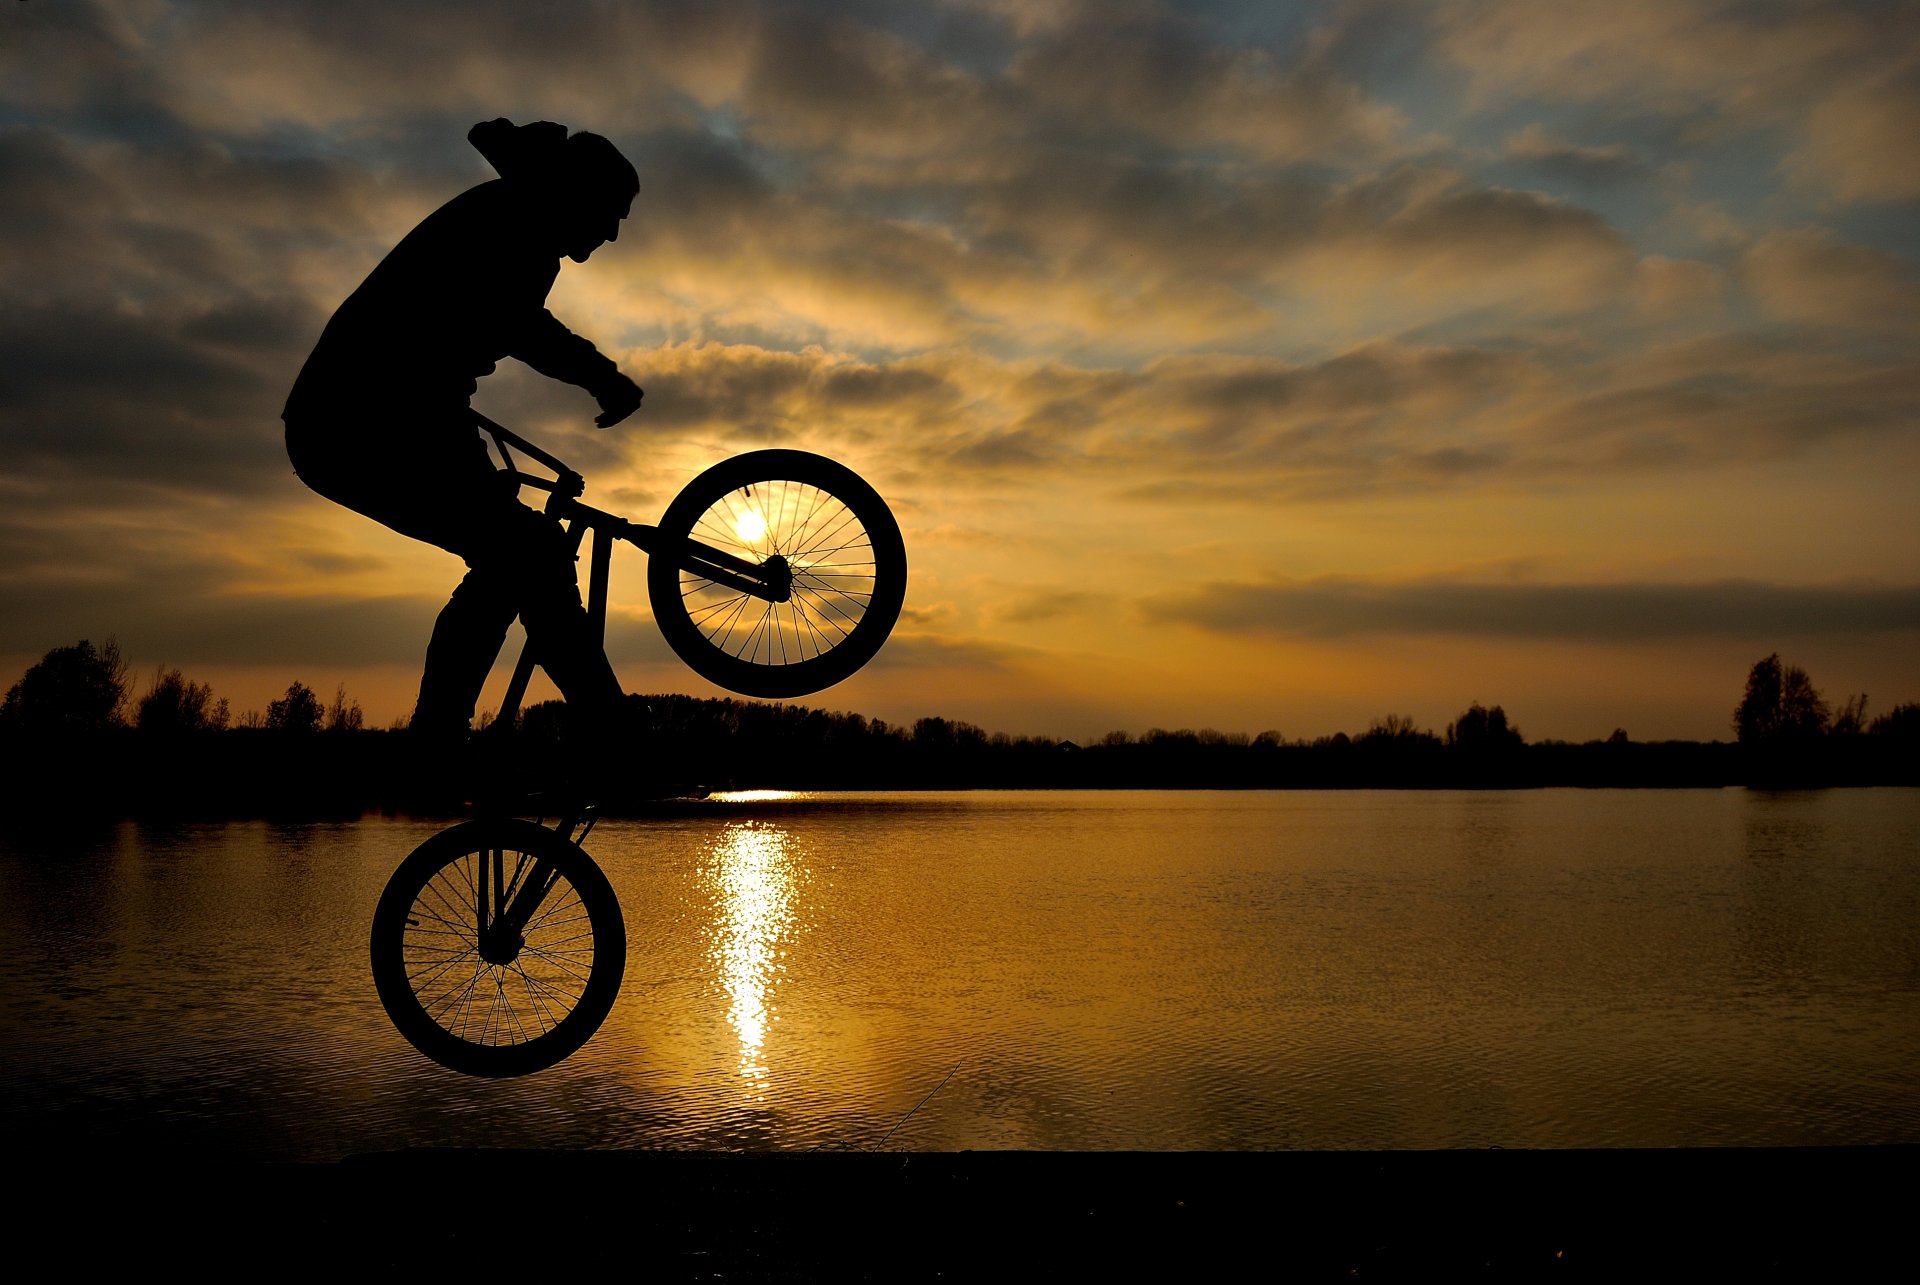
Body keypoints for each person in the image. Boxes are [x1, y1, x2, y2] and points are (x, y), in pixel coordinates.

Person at [283, 119, 642, 768]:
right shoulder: (516, 226)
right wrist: (602, 377)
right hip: (363, 422)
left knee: (523, 557)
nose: (614, 232)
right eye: (612, 212)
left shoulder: (516, 219)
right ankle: (479, 738)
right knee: (526, 553)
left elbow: (481, 335)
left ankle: (586, 732)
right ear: (579, 194)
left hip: (392, 417)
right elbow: (520, 326)